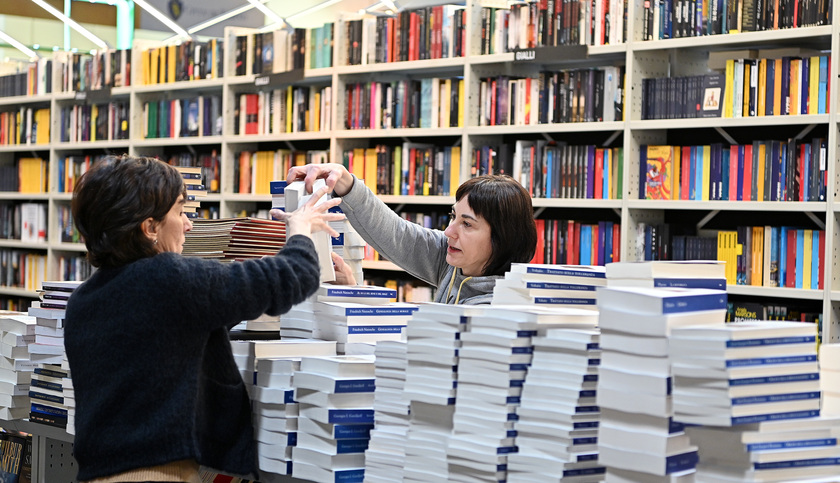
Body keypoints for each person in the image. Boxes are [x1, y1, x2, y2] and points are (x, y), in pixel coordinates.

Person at [64, 155, 344, 482]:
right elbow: (292, 277)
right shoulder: (170, 278)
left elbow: (174, 331)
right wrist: (300, 230)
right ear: (150, 227)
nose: (189, 224)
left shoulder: (83, 300)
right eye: (180, 213)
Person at [287, 163, 537, 305]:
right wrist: (345, 182)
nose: (449, 232)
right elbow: (396, 233)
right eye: (453, 217)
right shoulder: (455, 260)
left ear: (502, 238)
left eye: (467, 224)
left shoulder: (499, 306)